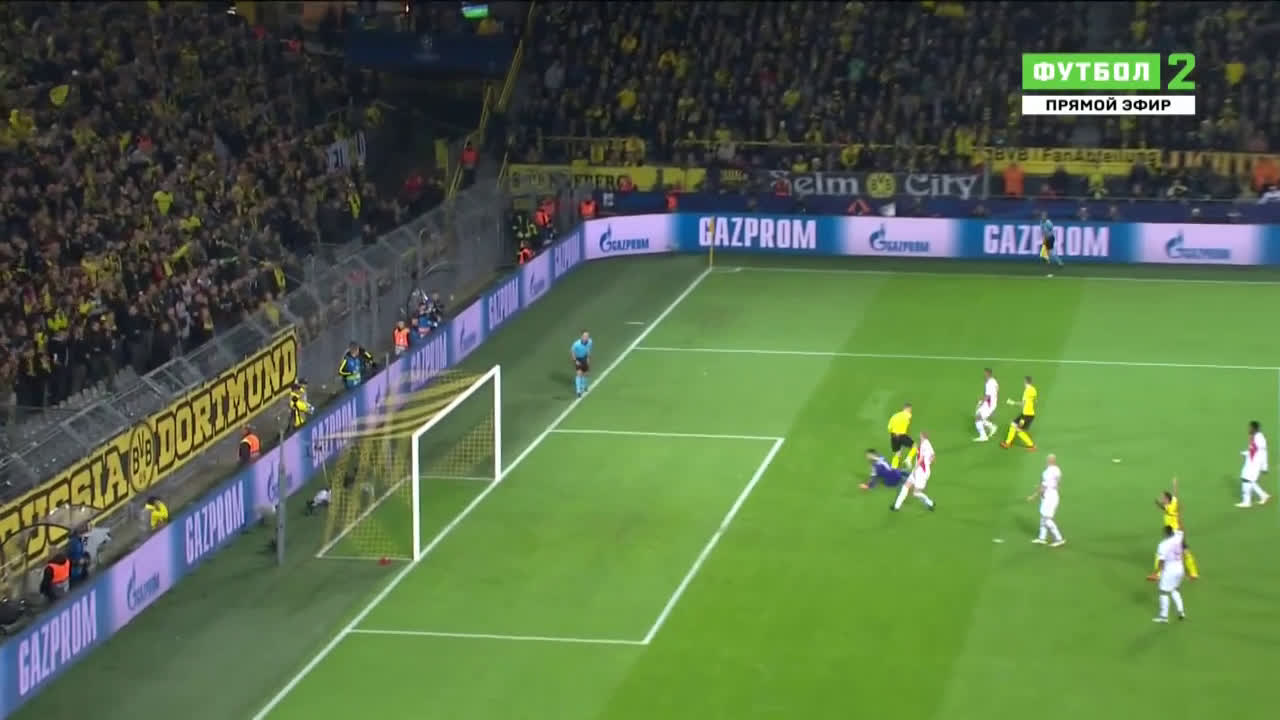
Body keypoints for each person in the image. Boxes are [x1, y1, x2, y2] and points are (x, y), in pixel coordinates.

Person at [1150, 477, 1199, 581]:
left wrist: (1157, 502)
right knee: (1185, 550)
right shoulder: (1172, 503)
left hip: (1173, 533)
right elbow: (1174, 496)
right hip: (1177, 532)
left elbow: (1164, 506)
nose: (1162, 499)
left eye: (1163, 497)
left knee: (1161, 552)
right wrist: (1175, 485)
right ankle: (1194, 572)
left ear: (1167, 499)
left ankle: (1157, 574)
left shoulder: (1170, 506)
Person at [891, 432, 936, 511]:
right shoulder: (928, 444)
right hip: (920, 470)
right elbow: (933, 456)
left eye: (920, 436)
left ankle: (930, 502)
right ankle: (896, 506)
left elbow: (921, 459)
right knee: (906, 486)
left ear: (922, 437)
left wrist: (915, 469)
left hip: (921, 472)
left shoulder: (924, 445)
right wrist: (929, 462)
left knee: (916, 493)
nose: (919, 437)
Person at [1027, 454, 1065, 547]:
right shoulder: (1057, 469)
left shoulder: (1047, 472)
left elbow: (1043, 487)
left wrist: (1033, 496)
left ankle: (1059, 539)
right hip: (1054, 495)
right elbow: (1058, 481)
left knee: (1047, 519)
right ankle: (1042, 538)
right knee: (1043, 517)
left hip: (1049, 497)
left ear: (1048, 461)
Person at [1152, 525, 1187, 623]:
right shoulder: (1178, 536)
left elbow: (1161, 561)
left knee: (1163, 592)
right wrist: (1179, 517)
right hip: (1180, 569)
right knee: (1175, 589)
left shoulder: (1163, 545)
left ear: (1165, 533)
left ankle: (1163, 617)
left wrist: (1156, 573)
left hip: (1170, 571)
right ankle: (1181, 612)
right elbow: (1182, 529)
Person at [1236, 420, 1271, 507]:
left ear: (1254, 428)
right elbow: (1253, 450)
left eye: (1250, 427)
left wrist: (1264, 467)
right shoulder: (1254, 437)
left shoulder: (1259, 439)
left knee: (1246, 479)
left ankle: (1247, 502)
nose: (1249, 429)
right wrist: (1245, 453)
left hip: (1255, 464)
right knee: (1249, 480)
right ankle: (1263, 495)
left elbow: (1263, 453)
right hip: (1251, 462)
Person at [1001, 376, 1038, 450]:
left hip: (1026, 415)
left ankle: (1031, 445)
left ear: (1025, 382)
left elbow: (1022, 404)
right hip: (1028, 414)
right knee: (1013, 424)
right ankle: (1008, 443)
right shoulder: (1034, 390)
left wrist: (1012, 403)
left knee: (1018, 430)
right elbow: (1035, 401)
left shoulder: (1026, 391)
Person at [886, 403, 916, 469]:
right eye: (910, 410)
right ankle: (908, 459)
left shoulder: (894, 416)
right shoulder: (908, 415)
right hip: (902, 435)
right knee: (914, 446)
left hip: (893, 436)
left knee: (898, 453)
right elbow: (907, 426)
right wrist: (908, 436)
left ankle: (893, 469)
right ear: (907, 409)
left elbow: (889, 428)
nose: (911, 411)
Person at [974, 367, 999, 442]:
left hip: (989, 403)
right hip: (991, 402)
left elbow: (987, 396)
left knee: (978, 418)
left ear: (987, 374)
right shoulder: (994, 380)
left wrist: (981, 401)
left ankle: (983, 436)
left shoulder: (989, 383)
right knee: (979, 415)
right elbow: (997, 389)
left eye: (984, 373)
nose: (983, 375)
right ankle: (992, 427)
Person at [571, 331, 592, 397]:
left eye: (587, 336)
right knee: (579, 373)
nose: (586, 337)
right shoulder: (576, 344)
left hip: (585, 358)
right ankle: (578, 391)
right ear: (582, 337)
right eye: (585, 336)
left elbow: (588, 350)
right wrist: (575, 361)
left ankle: (584, 386)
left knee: (585, 374)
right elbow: (573, 352)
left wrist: (588, 358)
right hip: (578, 359)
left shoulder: (590, 342)